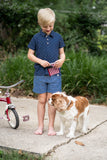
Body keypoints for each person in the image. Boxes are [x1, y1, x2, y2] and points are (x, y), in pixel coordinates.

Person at [27, 8, 65, 136]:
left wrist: (61, 61)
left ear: (53, 23)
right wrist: (40, 61)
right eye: (45, 26)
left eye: (50, 25)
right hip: (40, 74)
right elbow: (30, 55)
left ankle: (51, 127)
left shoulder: (58, 37)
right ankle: (40, 126)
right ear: (39, 24)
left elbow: (62, 54)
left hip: (55, 74)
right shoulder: (36, 38)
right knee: (42, 100)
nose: (48, 28)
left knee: (51, 100)